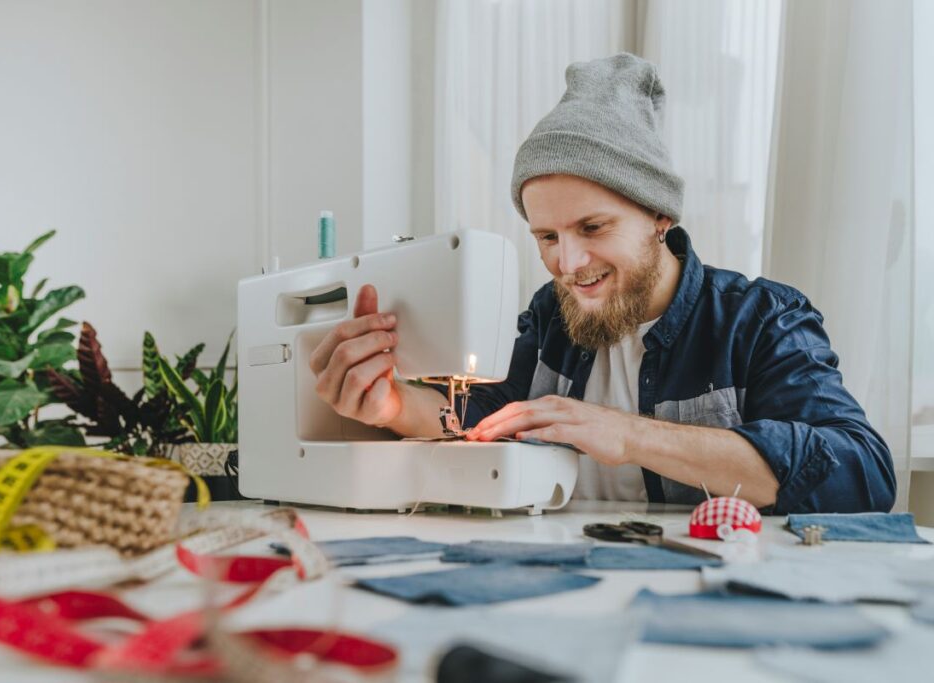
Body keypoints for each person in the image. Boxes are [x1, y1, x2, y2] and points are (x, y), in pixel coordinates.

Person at [308, 53, 895, 513]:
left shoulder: (759, 319)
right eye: (547, 237)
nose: (568, 262)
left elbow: (862, 475)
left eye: (592, 227)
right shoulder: (551, 316)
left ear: (660, 216)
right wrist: (391, 404)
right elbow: (483, 410)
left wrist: (631, 436)